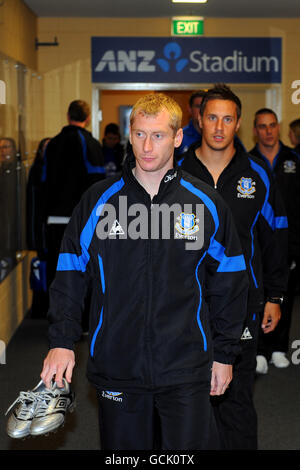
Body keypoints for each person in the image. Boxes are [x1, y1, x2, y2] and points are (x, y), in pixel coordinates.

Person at [40, 93, 249, 450]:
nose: (147, 146)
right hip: (117, 363)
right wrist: (62, 340)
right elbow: (71, 270)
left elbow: (229, 280)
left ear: (178, 137)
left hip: (185, 365)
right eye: (139, 135)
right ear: (129, 134)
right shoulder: (99, 201)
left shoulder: (206, 203)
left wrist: (225, 354)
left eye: (158, 135)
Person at [179, 84, 288, 450]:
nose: (219, 127)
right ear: (199, 120)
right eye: (212, 117)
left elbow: (276, 237)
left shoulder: (256, 174)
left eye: (228, 119)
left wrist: (274, 295)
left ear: (238, 123)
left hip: (243, 303)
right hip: (184, 305)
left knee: (236, 400)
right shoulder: (176, 172)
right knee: (186, 401)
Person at [250, 108, 300, 372]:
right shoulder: (247, 162)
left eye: (272, 126)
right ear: (254, 129)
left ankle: (279, 347)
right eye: (262, 126)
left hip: (290, 242)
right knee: (258, 295)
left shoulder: (294, 159)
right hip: (258, 242)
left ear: (278, 127)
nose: (268, 131)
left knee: (285, 296)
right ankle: (259, 349)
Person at [41, 100, 105, 294]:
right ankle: (81, 322)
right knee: (82, 273)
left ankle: (57, 319)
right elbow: (98, 186)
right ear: (87, 118)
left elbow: (43, 182)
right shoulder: (92, 144)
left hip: (54, 219)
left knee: (57, 271)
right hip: (82, 221)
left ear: (68, 116)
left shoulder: (53, 144)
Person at [26, 137, 51, 318]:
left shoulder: (57, 170)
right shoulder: (37, 171)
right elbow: (33, 207)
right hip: (42, 230)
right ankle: (42, 306)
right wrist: (33, 237)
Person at [175, 90, 206, 157]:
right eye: (198, 106)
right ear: (190, 109)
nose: (201, 110)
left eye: (204, 106)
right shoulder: (181, 136)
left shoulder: (215, 136)